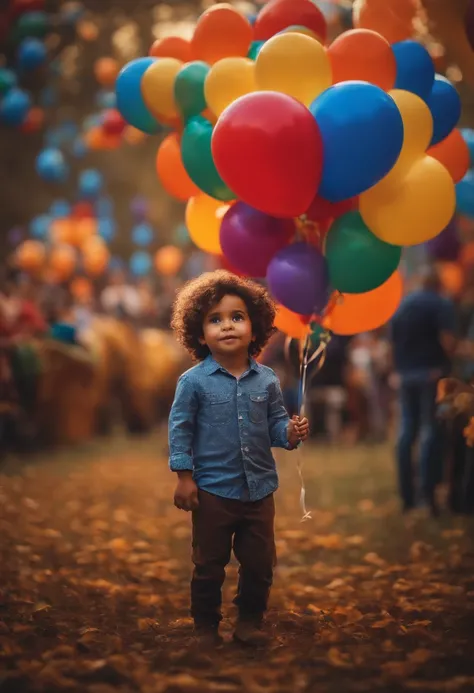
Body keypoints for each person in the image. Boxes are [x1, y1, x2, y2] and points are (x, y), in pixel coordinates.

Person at [169, 271, 309, 647]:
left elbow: (276, 424)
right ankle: (205, 627)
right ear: (200, 334)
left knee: (260, 563)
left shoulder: (267, 381)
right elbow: (180, 431)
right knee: (209, 564)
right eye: (215, 319)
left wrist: (290, 434)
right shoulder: (193, 382)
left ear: (254, 327)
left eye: (237, 317)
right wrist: (184, 477)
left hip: (259, 490)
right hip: (213, 490)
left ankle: (249, 622)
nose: (227, 325)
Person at [390, 266, 456, 516]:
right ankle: (428, 494)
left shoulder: (404, 305)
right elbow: (447, 342)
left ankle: (407, 497)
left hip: (406, 376)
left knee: (406, 433)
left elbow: (392, 343)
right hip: (432, 375)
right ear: (438, 283)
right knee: (430, 432)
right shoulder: (441, 304)